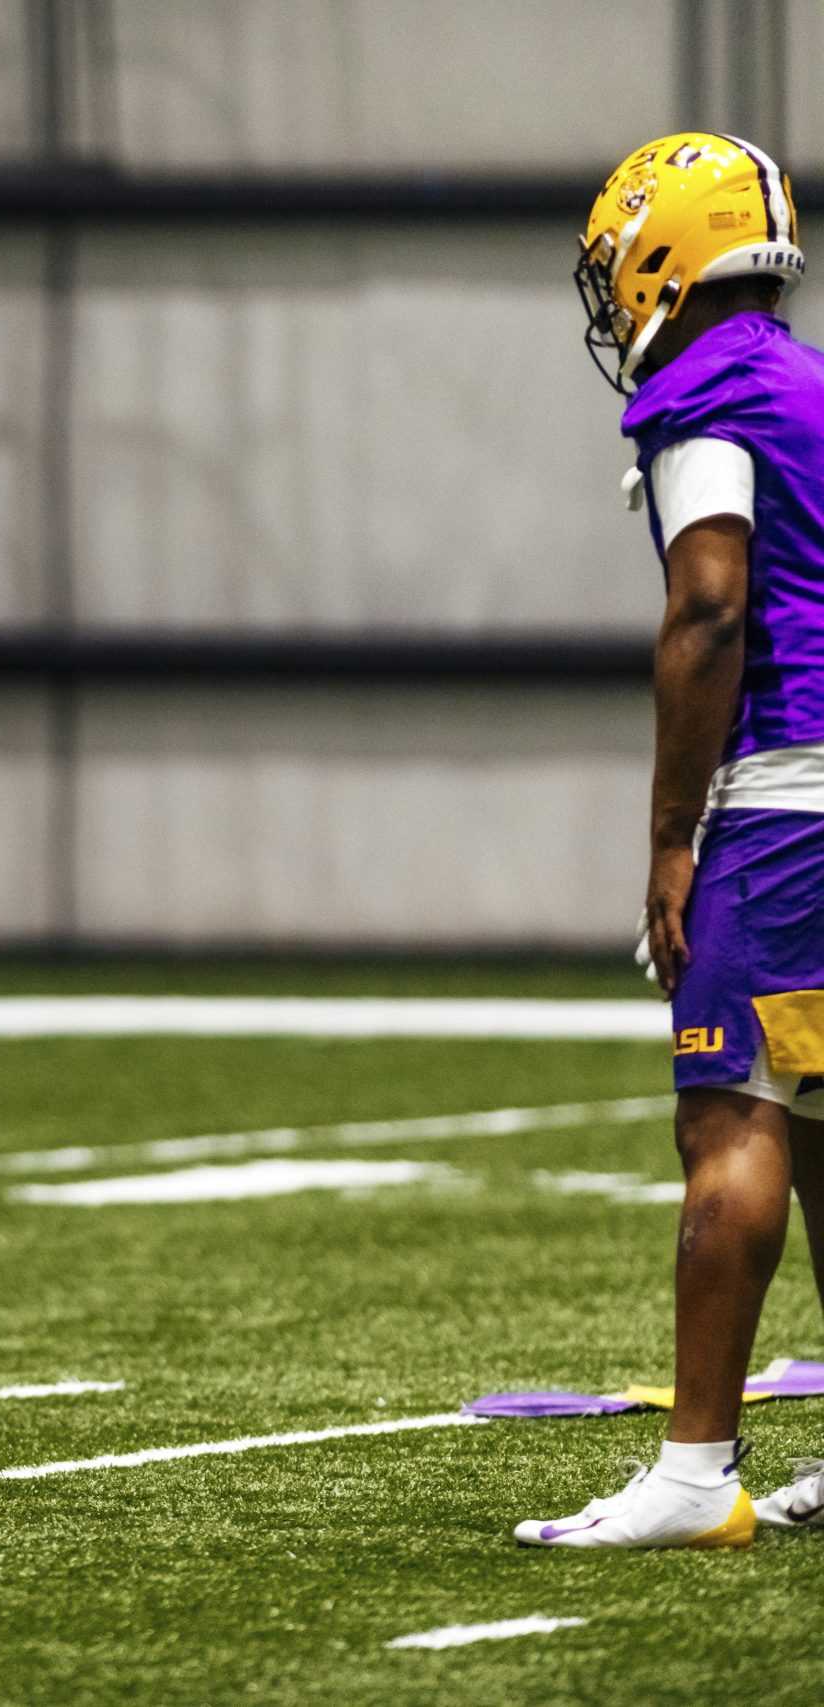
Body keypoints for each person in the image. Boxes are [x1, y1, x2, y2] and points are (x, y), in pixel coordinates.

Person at [521, 131, 822, 1548]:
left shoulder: (710, 386)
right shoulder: (805, 381)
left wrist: (670, 836)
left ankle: (698, 1469)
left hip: (790, 799)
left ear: (662, 255)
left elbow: (709, 606)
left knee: (734, 1118)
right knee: (820, 1123)